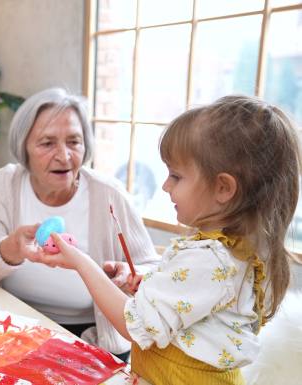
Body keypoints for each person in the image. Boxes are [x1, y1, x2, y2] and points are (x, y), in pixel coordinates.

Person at [43, 95, 300, 385]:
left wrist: (81, 262)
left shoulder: (209, 258)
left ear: (223, 188)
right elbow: (197, 307)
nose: (165, 186)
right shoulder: (225, 250)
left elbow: (132, 324)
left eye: (176, 176)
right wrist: (150, 282)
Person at [0, 87, 160, 360]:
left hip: (90, 341)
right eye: (47, 143)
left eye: (74, 141)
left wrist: (131, 276)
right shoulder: (5, 183)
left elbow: (152, 270)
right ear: (24, 148)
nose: (64, 155)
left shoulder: (108, 194)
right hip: (15, 328)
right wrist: (11, 248)